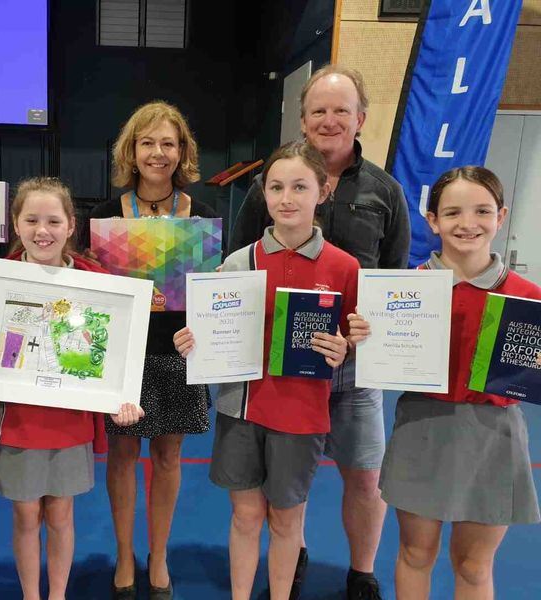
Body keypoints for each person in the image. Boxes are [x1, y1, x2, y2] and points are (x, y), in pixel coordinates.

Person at [228, 65, 410, 599]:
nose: (329, 120)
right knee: (286, 485)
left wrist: (364, 332)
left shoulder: (385, 191)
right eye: (318, 111)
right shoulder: (271, 182)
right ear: (303, 119)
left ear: (361, 118)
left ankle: (361, 572)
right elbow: (239, 270)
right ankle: (295, 550)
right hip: (279, 374)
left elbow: (393, 279)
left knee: (364, 473)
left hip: (354, 370)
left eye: (341, 110)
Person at [174, 141, 365, 600]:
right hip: (242, 411)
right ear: (264, 193)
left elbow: (355, 340)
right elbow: (212, 329)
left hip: (302, 417)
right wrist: (192, 342)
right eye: (277, 186)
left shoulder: (344, 267)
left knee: (286, 520)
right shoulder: (239, 263)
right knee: (244, 516)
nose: (287, 198)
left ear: (322, 191)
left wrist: (346, 348)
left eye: (300, 186)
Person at [0, 177, 144, 600]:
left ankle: (57, 595)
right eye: (31, 219)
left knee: (61, 513)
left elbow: (114, 355)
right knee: (25, 514)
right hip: (18, 422)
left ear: (71, 225)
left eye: (53, 220)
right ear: (15, 224)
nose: (43, 230)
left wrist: (122, 396)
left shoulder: (98, 283)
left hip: (71, 418)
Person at [370, 166, 540, 599]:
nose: (468, 223)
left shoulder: (527, 297)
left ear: (500, 217)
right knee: (415, 553)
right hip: (421, 430)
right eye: (453, 213)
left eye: (482, 211)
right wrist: (363, 337)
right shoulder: (399, 291)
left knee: (473, 564)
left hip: (493, 438)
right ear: (433, 220)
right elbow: (378, 358)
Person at [90, 100, 216, 600]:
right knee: (122, 455)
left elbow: (212, 297)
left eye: (168, 143)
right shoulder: (105, 216)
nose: (157, 153)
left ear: (181, 150)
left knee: (168, 456)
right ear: (132, 150)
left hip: (178, 354)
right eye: (147, 143)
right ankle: (124, 553)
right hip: (124, 356)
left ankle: (158, 554)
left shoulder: (202, 216)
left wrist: (203, 329)